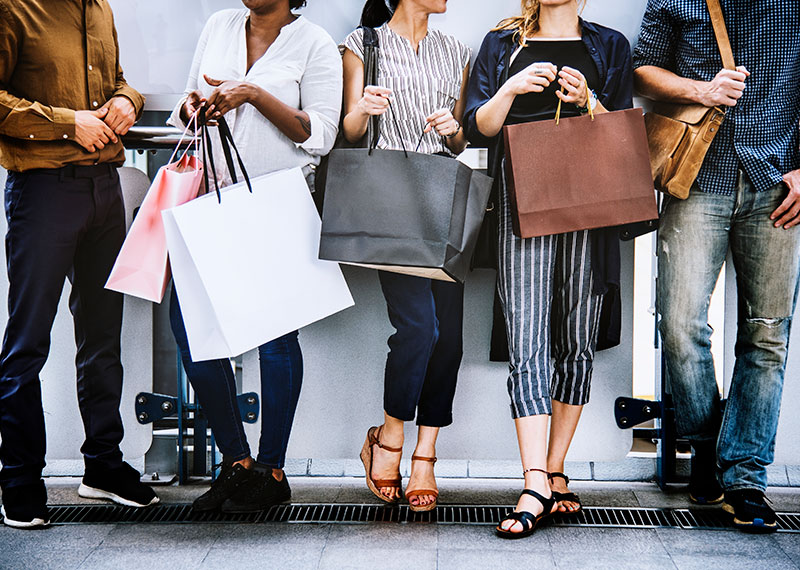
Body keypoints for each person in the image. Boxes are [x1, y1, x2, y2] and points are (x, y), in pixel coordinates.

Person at [464, 0, 633, 537]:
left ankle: (556, 468)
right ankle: (534, 479)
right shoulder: (503, 43)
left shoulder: (609, 45)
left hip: (590, 202)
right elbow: (476, 128)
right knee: (528, 334)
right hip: (522, 198)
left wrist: (589, 100)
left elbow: (624, 131)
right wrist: (510, 90)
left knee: (577, 336)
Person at [165, 0, 342, 513]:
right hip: (210, 201)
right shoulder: (220, 24)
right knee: (192, 327)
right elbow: (184, 100)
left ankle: (271, 469)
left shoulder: (314, 44)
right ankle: (236, 461)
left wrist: (253, 94)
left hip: (277, 205)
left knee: (274, 337)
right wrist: (194, 107)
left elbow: (321, 135)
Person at [633, 0, 800, 533]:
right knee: (680, 324)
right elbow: (641, 70)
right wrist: (701, 90)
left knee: (767, 334)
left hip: (775, 182)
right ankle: (708, 447)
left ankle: (745, 477)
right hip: (697, 176)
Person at [0, 0, 158, 529]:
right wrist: (69, 125)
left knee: (101, 337)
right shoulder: (13, 8)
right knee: (27, 346)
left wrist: (127, 102)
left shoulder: (101, 10)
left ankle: (103, 467)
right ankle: (19, 481)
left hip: (103, 193)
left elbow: (119, 81)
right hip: (42, 194)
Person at [341, 0, 471, 512]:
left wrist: (450, 130)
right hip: (389, 199)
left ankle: (425, 454)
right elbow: (350, 133)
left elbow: (461, 141)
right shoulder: (362, 45)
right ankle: (390, 433)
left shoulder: (456, 50)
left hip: (441, 196)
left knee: (451, 337)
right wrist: (364, 110)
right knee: (420, 328)